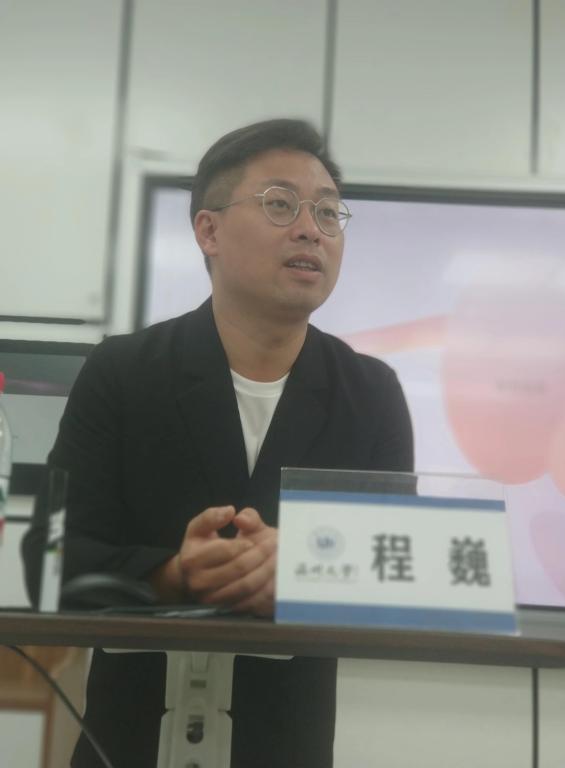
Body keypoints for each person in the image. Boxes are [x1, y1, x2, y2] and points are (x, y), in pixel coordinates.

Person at [22, 118, 414, 768]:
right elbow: (50, 558)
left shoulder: (370, 394)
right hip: (126, 744)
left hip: (285, 749)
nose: (311, 230)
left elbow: (403, 579)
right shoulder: (123, 372)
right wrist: (172, 576)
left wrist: (304, 571)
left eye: (327, 212)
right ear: (208, 231)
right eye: (281, 204)